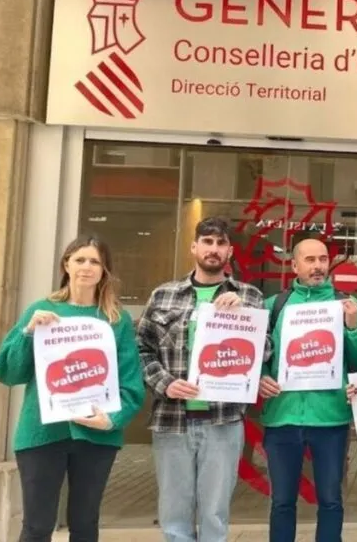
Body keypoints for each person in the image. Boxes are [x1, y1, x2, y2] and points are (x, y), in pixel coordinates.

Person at [0, 235, 145, 542]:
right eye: (80, 259)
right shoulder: (41, 310)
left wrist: (113, 418)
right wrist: (28, 333)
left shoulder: (117, 319)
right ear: (66, 265)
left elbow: (130, 381)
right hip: (42, 432)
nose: (87, 267)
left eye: (95, 261)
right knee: (37, 525)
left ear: (105, 270)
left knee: (85, 524)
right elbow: (10, 371)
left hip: (98, 434)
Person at [136, 217, 267, 542]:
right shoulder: (164, 295)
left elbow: (265, 353)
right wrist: (164, 382)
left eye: (220, 243)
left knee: (215, 515)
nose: (213, 249)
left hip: (223, 422)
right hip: (172, 421)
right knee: (174, 515)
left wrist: (242, 320)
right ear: (194, 247)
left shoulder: (248, 297)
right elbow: (140, 351)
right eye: (207, 242)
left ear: (230, 251)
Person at [256, 237, 357, 542]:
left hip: (331, 418)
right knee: (282, 501)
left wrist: (354, 326)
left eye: (322, 259)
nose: (317, 266)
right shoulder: (276, 306)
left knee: (331, 500)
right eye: (309, 260)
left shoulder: (348, 304)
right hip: (283, 416)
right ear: (294, 265)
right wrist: (259, 377)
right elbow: (257, 352)